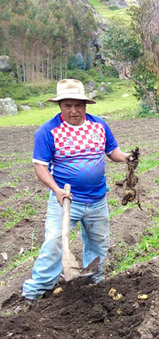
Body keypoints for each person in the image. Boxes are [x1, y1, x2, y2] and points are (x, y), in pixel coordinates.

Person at [20, 79, 132, 309]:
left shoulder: (99, 125)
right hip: (66, 200)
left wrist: (127, 157)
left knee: (99, 243)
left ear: (85, 105)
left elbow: (112, 151)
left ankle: (93, 281)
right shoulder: (48, 131)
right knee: (54, 243)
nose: (73, 110)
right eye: (67, 105)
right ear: (60, 106)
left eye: (78, 105)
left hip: (97, 198)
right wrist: (57, 190)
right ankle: (35, 290)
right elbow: (40, 166)